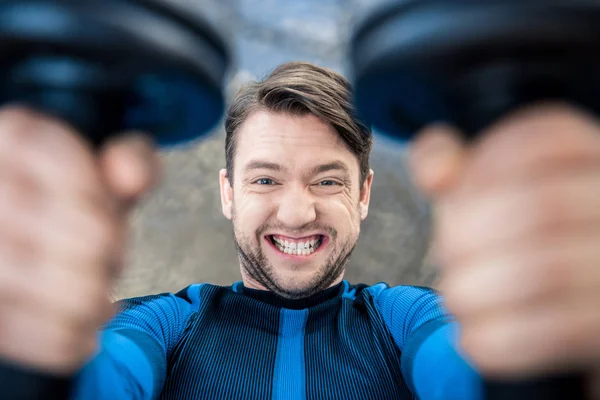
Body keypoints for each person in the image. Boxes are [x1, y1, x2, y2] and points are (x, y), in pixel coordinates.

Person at [0, 61, 599, 399]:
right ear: (228, 193)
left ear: (363, 195)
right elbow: (104, 377)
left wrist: (534, 351)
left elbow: (468, 371)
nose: (296, 213)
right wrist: (32, 351)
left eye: (327, 181)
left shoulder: (408, 320)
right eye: (264, 181)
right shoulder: (166, 323)